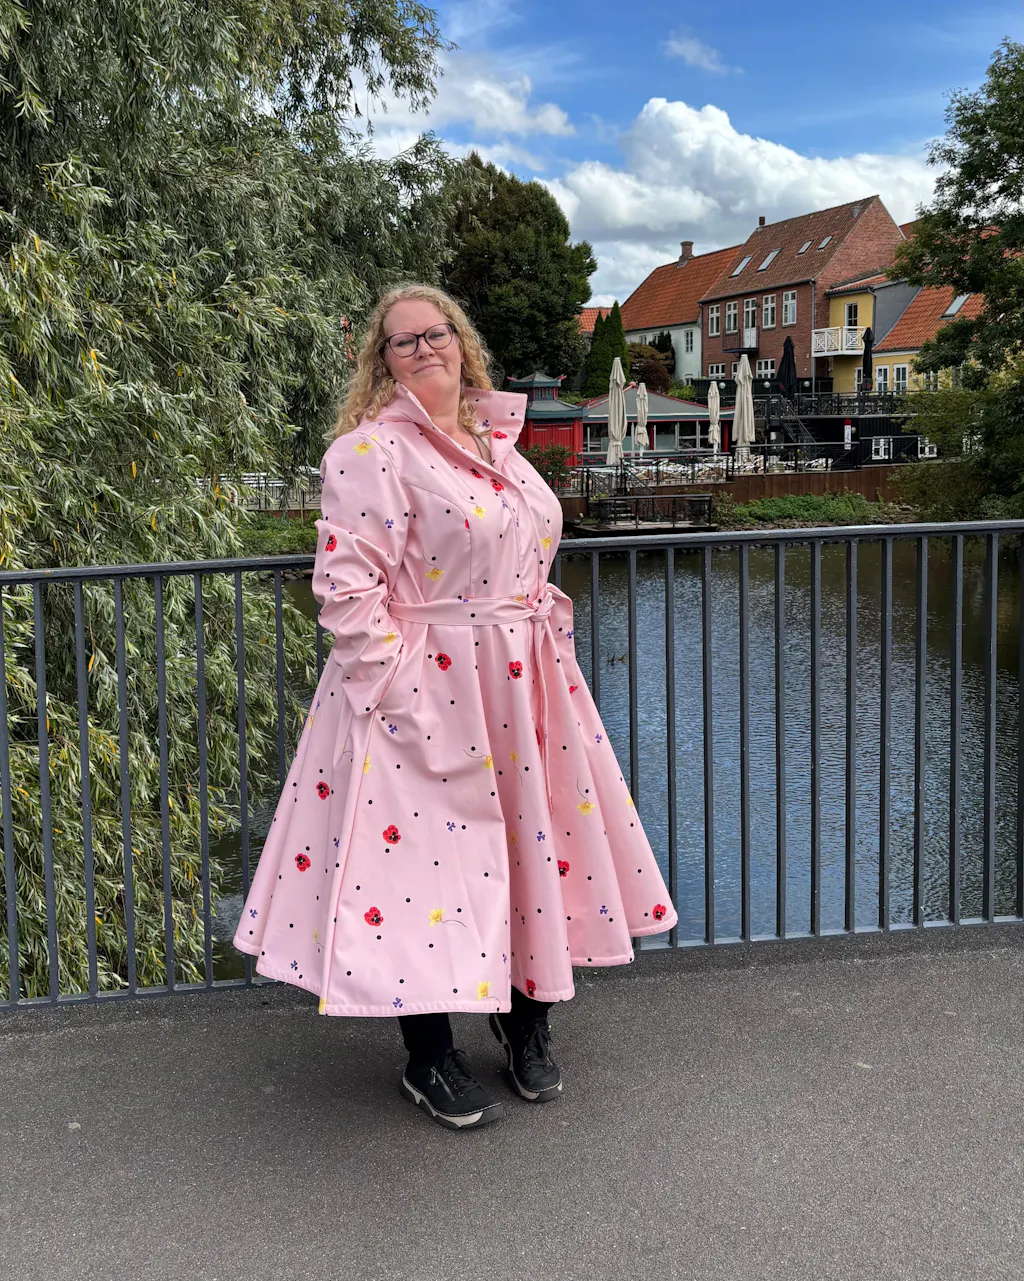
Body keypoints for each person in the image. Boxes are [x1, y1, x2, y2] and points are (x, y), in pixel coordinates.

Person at [233, 283, 678, 1130]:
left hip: (521, 683)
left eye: (435, 333)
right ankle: (428, 1056)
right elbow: (346, 589)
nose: (423, 348)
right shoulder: (369, 452)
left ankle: (525, 1021)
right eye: (403, 341)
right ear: (383, 361)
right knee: (416, 872)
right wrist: (398, 687)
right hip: (425, 691)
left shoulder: (496, 439)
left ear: (461, 341)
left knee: (531, 849)